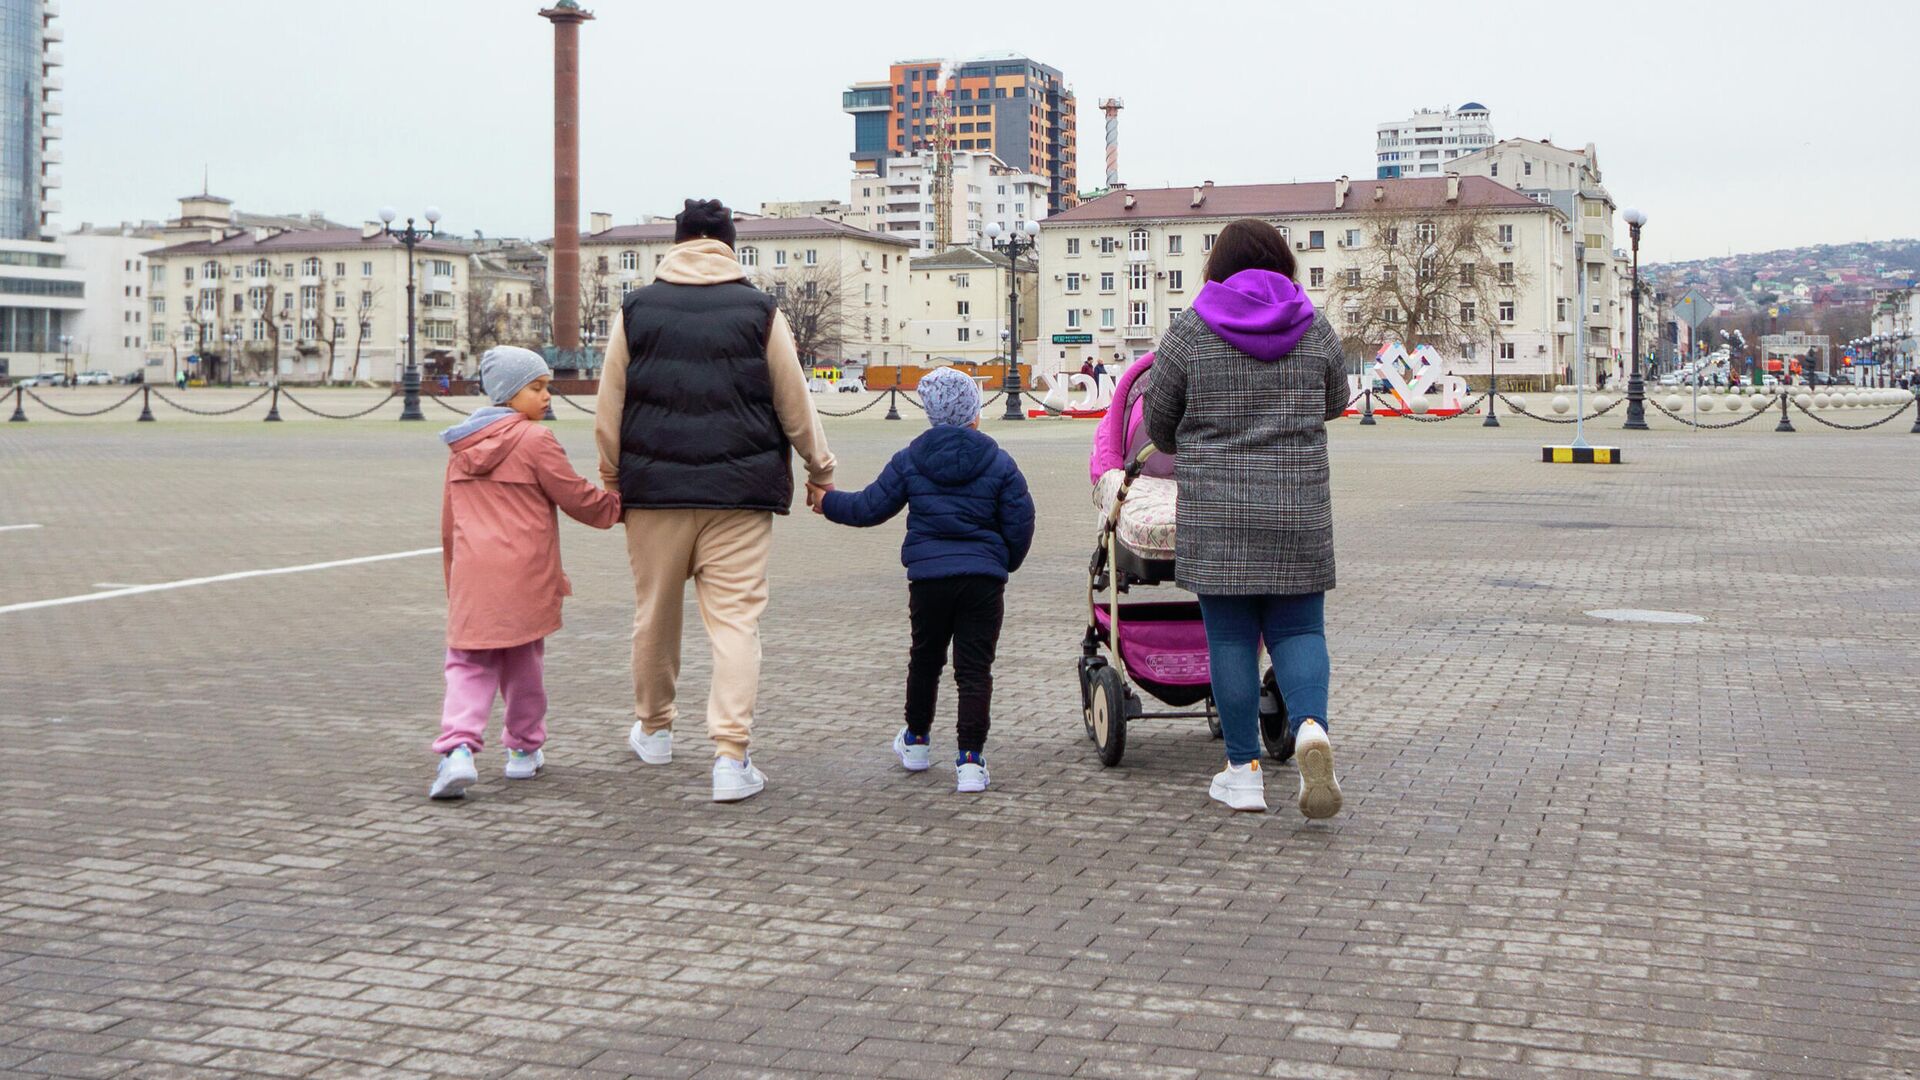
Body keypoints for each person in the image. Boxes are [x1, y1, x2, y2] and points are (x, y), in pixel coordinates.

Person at [594, 198, 837, 803]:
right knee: (735, 624)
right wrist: (820, 469)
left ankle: (654, 731)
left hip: (654, 495)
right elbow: (794, 401)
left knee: (654, 614)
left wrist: (611, 480)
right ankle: (730, 757)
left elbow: (610, 404)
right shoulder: (760, 310)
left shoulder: (636, 309)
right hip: (739, 495)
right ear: (728, 244)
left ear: (675, 243)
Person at [1145, 218, 1349, 819]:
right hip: (1298, 508)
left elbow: (1159, 426)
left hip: (1218, 512)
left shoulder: (1189, 331)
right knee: (1300, 632)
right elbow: (1337, 400)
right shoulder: (1315, 328)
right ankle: (1310, 727)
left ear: (1218, 266)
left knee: (1231, 640)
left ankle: (1243, 773)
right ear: (1284, 261)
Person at [813, 368, 1033, 793]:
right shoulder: (999, 461)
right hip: (982, 581)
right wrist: (1004, 562)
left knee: (925, 660)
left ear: (931, 413)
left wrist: (828, 502)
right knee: (974, 670)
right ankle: (970, 760)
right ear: (974, 414)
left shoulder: (911, 459)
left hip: (928, 579)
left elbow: (870, 506)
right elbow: (1021, 521)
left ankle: (916, 742)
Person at [429, 347, 623, 800]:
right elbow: (575, 496)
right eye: (536, 388)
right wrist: (618, 505)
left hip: (474, 574)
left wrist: (453, 581)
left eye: (546, 386)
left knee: (467, 664)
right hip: (525, 572)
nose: (546, 395)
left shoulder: (461, 448)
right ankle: (522, 750)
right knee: (523, 664)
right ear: (507, 394)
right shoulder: (536, 440)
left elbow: (448, 526)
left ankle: (457, 749)